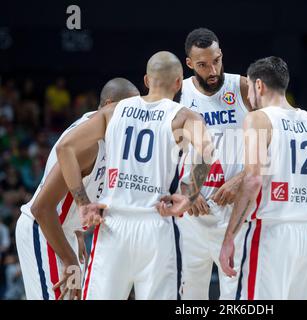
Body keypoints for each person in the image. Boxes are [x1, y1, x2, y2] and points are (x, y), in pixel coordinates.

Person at [56, 51, 214, 300]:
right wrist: (189, 197)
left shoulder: (113, 111)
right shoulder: (183, 115)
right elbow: (207, 150)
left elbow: (65, 148)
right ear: (177, 83)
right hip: (157, 225)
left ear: (147, 80)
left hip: (112, 226)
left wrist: (83, 203)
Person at [220, 56, 307, 300]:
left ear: (258, 85)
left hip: (271, 233)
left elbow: (253, 181)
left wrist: (229, 236)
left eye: (250, 88)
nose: (249, 96)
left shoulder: (258, 119)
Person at [15, 78, 140, 300]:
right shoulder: (86, 144)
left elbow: (86, 192)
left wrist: (78, 231)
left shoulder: (112, 138)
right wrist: (71, 260)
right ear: (109, 105)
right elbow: (42, 208)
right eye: (129, 110)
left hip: (65, 233)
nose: (133, 119)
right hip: (44, 229)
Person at [177, 27, 252, 300]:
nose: (213, 70)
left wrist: (242, 178)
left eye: (217, 60)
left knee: (236, 295)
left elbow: (274, 144)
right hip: (192, 214)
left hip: (235, 212)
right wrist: (187, 190)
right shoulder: (179, 93)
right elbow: (165, 153)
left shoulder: (243, 87)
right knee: (190, 296)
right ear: (189, 64)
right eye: (203, 64)